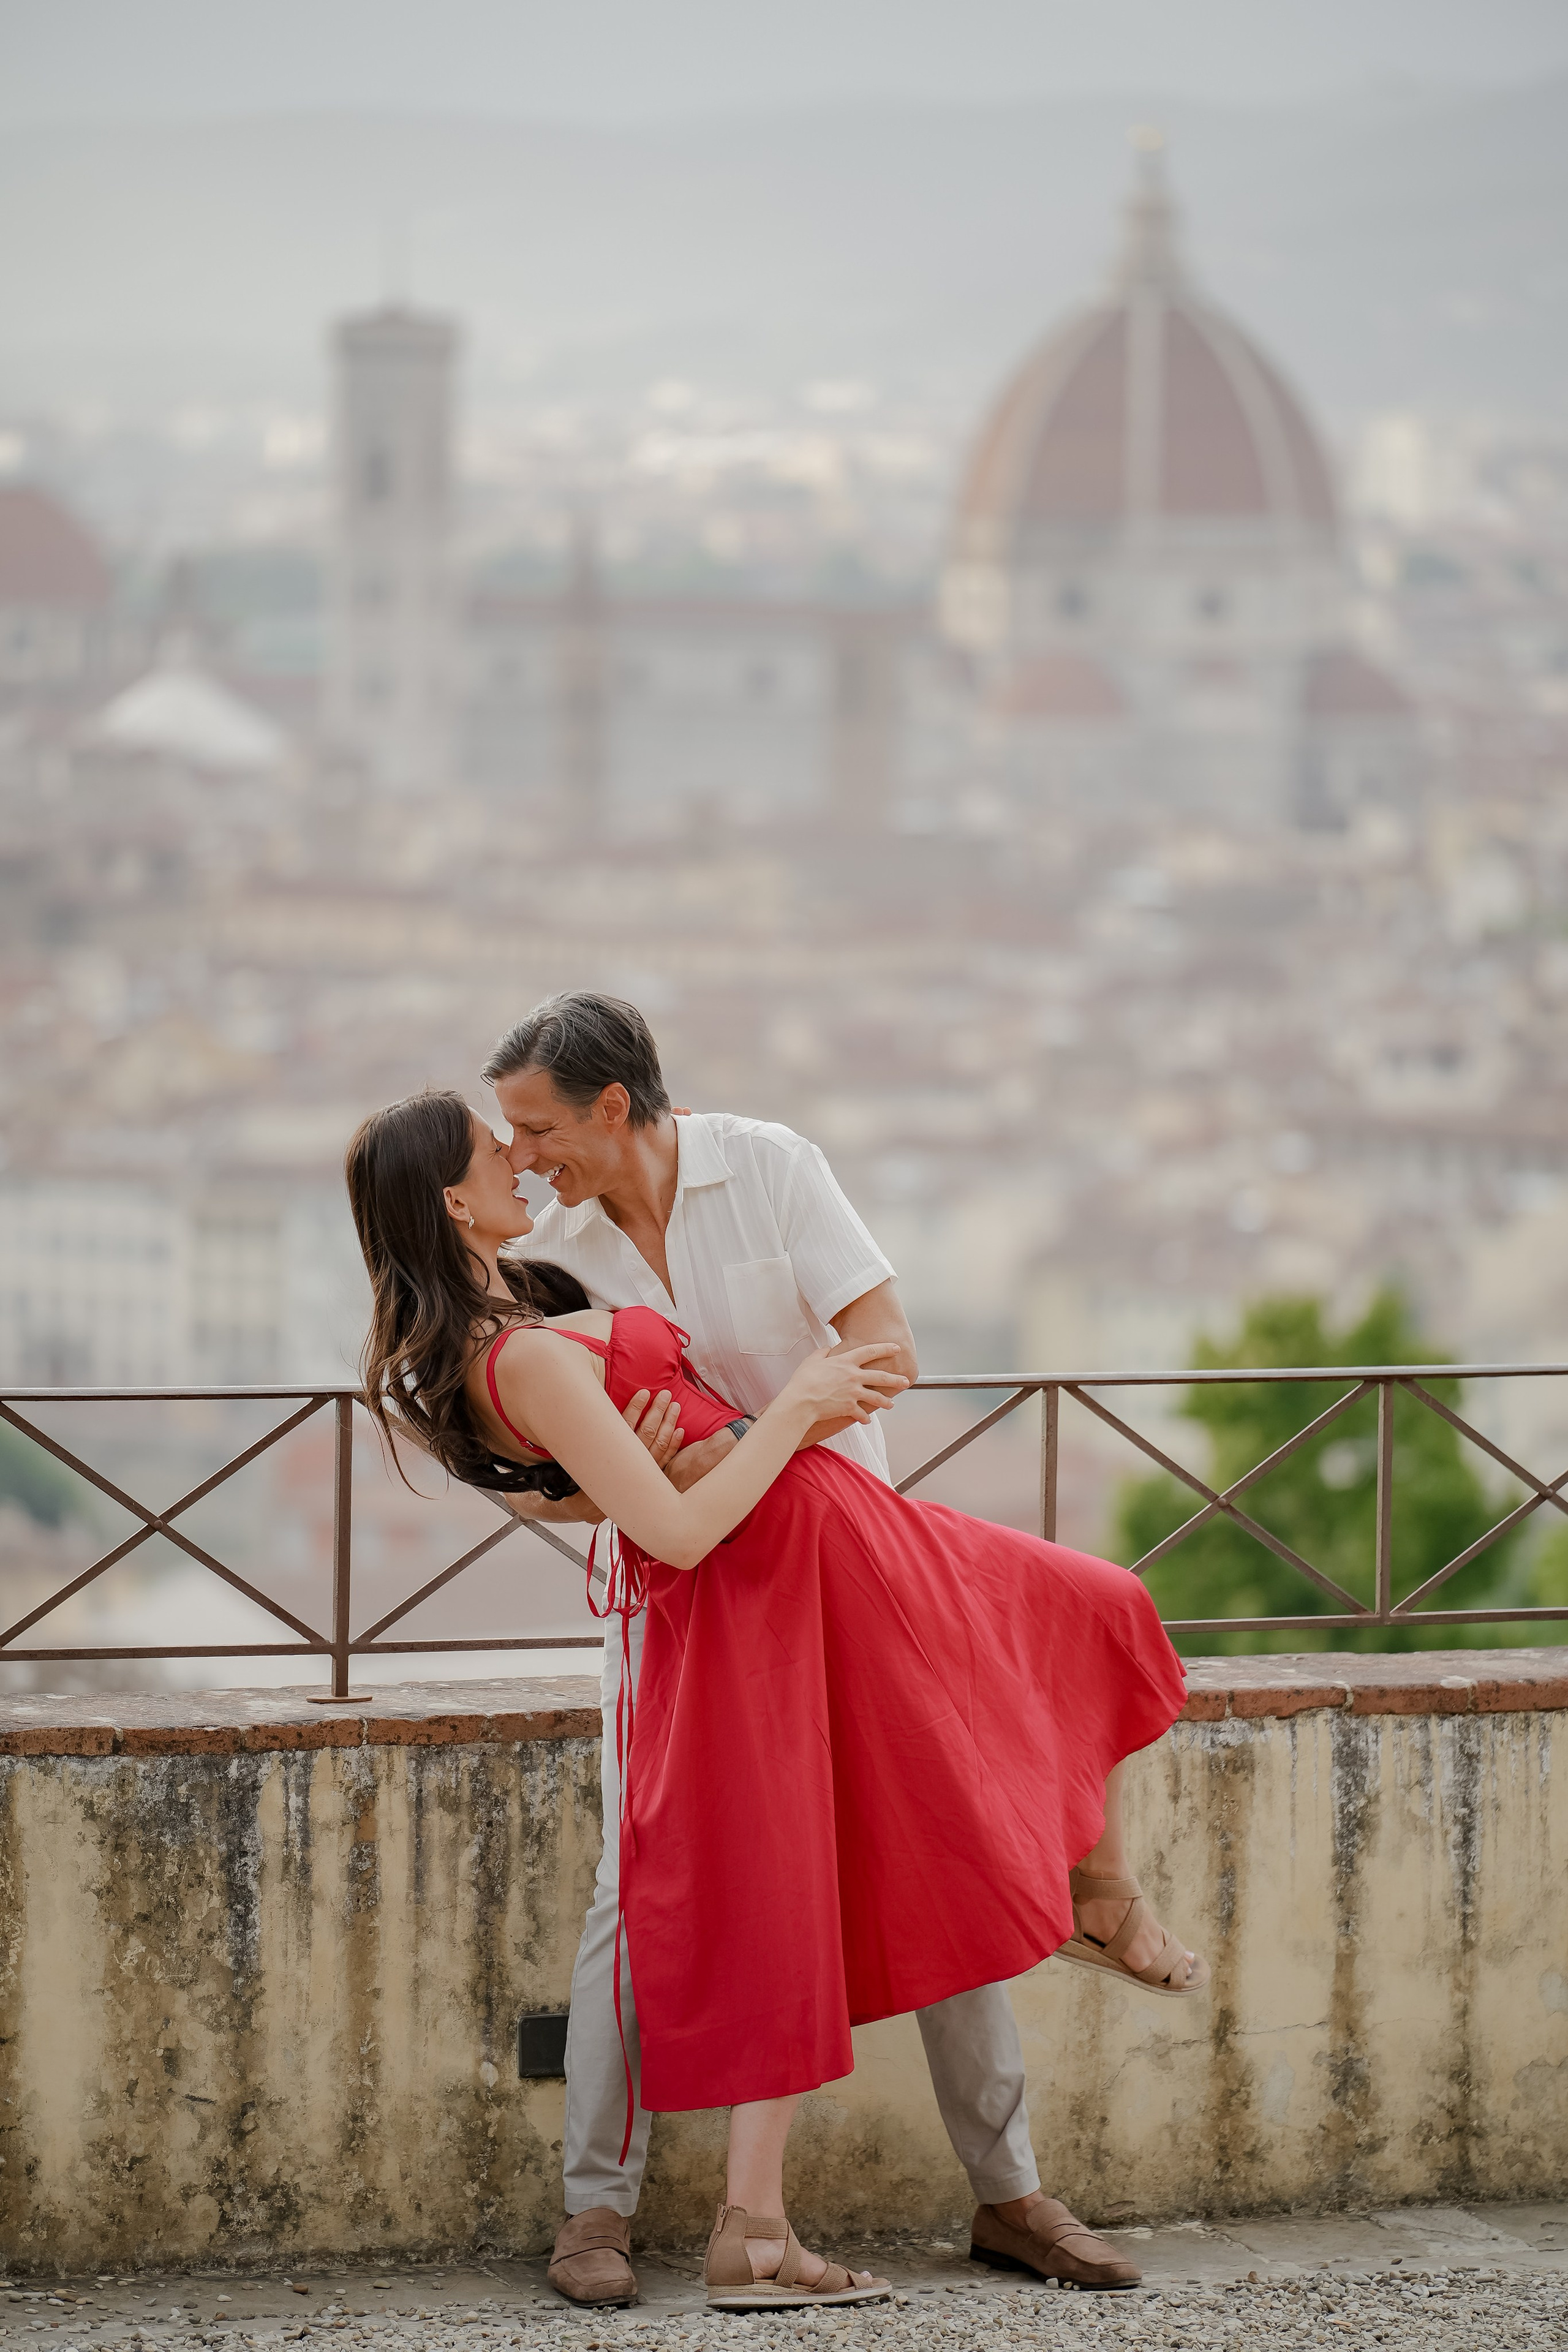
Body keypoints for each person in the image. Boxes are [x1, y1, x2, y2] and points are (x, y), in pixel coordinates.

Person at [345, 1009, 1207, 2310]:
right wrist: (655, 1476)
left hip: (835, 1557)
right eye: (500, 1142)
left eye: (535, 1128)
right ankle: (599, 2211)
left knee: (946, 1830)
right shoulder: (543, 1259)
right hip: (686, 1599)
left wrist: (742, 1434)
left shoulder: (769, 1168)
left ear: (615, 1108)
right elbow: (548, 1482)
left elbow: (889, 1355)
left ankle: (1007, 2189)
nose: (523, 1158)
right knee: (634, 1889)